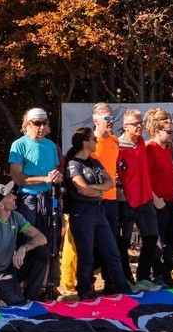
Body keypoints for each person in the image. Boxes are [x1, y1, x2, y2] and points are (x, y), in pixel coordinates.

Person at [64, 127, 132, 299]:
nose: (96, 142)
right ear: (85, 143)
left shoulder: (94, 162)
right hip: (81, 212)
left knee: (112, 252)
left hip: (98, 210)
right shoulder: (73, 163)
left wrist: (95, 189)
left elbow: (110, 183)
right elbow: (82, 189)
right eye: (93, 139)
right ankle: (84, 290)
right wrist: (96, 190)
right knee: (86, 255)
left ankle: (124, 289)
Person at [9, 107, 62, 292]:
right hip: (28, 200)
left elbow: (55, 171)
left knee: (51, 241)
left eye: (45, 123)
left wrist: (56, 176)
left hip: (49, 199)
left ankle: (49, 284)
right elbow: (16, 177)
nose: (42, 127)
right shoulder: (19, 145)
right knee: (26, 240)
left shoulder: (51, 146)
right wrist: (44, 179)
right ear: (27, 124)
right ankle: (22, 284)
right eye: (37, 123)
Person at [0, 182, 50, 306]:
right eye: (9, 195)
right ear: (1, 205)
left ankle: (30, 300)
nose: (15, 196)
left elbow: (42, 238)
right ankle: (19, 300)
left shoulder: (15, 216)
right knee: (14, 305)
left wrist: (24, 248)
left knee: (42, 252)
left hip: (12, 268)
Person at [116, 108, 160, 289]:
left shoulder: (141, 141)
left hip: (145, 198)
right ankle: (126, 279)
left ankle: (143, 277)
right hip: (126, 199)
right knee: (123, 242)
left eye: (141, 122)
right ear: (125, 126)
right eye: (135, 124)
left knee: (151, 237)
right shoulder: (117, 145)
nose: (139, 126)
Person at [144, 108, 173, 286]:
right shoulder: (150, 149)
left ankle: (166, 274)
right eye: (169, 131)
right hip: (156, 203)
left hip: (169, 201)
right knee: (157, 242)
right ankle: (156, 275)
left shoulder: (167, 148)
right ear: (157, 131)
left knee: (172, 241)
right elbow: (143, 178)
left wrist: (172, 198)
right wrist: (155, 199)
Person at [89, 102, 123, 290]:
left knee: (111, 242)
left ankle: (110, 282)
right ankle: (89, 283)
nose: (111, 121)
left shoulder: (115, 140)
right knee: (92, 243)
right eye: (107, 118)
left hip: (112, 199)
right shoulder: (90, 142)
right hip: (94, 200)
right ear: (96, 120)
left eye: (113, 117)